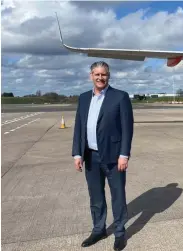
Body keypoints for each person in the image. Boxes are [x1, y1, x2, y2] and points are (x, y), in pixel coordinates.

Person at [72, 61, 134, 251]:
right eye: (96, 74)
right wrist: (77, 153)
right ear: (91, 75)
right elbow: (78, 128)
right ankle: (98, 229)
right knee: (96, 197)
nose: (100, 78)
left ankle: (120, 233)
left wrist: (124, 154)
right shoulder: (83, 98)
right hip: (90, 157)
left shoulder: (120, 97)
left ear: (109, 75)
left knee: (118, 196)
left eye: (104, 74)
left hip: (114, 157)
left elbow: (127, 128)